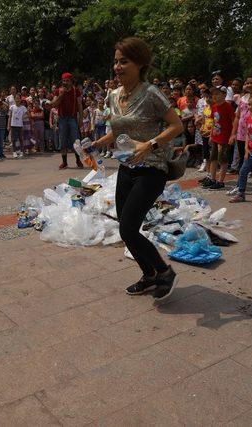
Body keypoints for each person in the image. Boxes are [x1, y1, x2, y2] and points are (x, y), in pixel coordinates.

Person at [92, 37, 183, 302]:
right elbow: (116, 130)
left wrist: (150, 144)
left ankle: (164, 271)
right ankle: (149, 275)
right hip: (126, 167)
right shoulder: (113, 96)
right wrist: (97, 144)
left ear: (140, 64)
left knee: (129, 229)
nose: (118, 67)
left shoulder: (151, 93)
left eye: (124, 61)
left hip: (152, 169)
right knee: (125, 226)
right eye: (116, 62)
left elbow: (177, 126)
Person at [45, 72, 84, 169]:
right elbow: (53, 104)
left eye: (67, 81)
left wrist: (81, 119)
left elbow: (80, 105)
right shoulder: (58, 91)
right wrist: (61, 95)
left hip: (72, 118)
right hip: (62, 119)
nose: (65, 82)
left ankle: (78, 160)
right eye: (63, 81)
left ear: (71, 81)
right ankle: (64, 162)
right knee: (63, 141)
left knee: (76, 141)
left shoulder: (76, 91)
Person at [201, 86, 235, 190]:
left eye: (217, 94)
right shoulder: (214, 106)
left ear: (224, 95)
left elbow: (234, 121)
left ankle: (221, 181)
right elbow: (214, 122)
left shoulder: (227, 106)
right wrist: (211, 135)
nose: (214, 97)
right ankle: (212, 178)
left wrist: (233, 135)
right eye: (213, 95)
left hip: (224, 137)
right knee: (213, 157)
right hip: (215, 136)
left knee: (223, 159)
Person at [8, 93, 27, 158]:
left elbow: (26, 115)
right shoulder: (12, 107)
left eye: (19, 98)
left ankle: (21, 152)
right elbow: (10, 117)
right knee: (13, 139)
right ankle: (14, 152)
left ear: (20, 99)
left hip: (20, 125)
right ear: (15, 99)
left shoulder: (23, 107)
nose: (17, 99)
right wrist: (8, 125)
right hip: (13, 125)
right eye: (16, 98)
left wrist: (22, 118)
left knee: (21, 139)